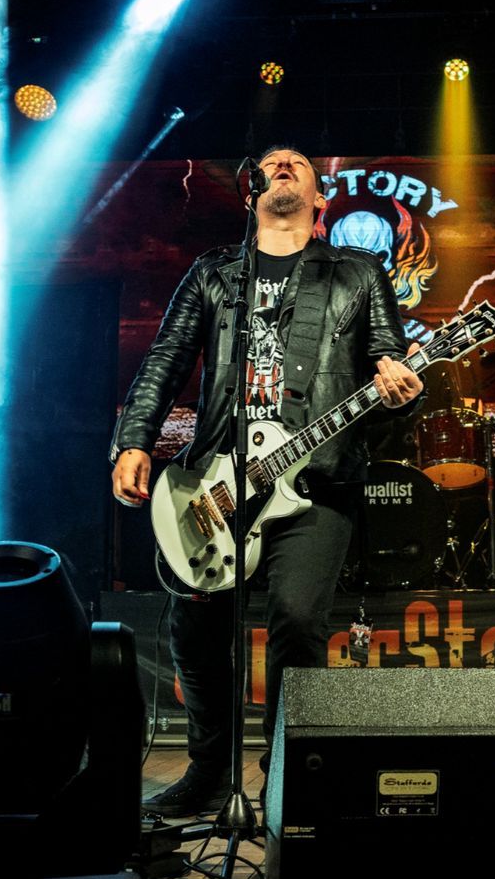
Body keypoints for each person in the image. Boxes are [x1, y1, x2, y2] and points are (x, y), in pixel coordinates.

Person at [111, 148, 423, 817]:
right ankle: (208, 771)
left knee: (300, 621)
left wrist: (402, 387)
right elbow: (167, 358)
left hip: (318, 481)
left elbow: (388, 362)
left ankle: (288, 772)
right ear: (252, 193)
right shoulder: (214, 271)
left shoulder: (358, 271)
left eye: (298, 163)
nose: (282, 164)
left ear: (320, 198)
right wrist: (134, 440)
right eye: (273, 162)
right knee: (196, 630)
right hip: (217, 478)